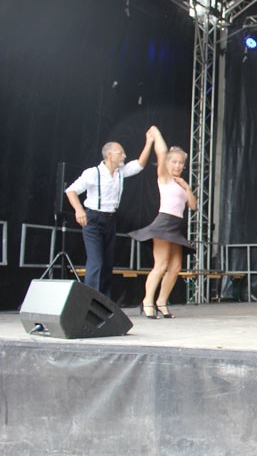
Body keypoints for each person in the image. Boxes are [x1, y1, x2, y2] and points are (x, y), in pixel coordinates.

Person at [65, 134, 153, 298]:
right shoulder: (93, 173)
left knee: (107, 262)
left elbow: (140, 164)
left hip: (110, 219)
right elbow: (71, 191)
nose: (124, 156)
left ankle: (104, 300)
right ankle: (90, 299)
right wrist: (79, 210)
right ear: (109, 155)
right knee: (96, 262)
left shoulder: (120, 172)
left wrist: (149, 142)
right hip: (93, 219)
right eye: (121, 153)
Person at [128, 126, 197, 319]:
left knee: (175, 268)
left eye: (181, 163)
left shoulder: (180, 184)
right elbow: (161, 152)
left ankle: (161, 301)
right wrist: (156, 135)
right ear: (167, 163)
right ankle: (147, 302)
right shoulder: (164, 177)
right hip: (164, 224)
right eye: (174, 162)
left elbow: (193, 206)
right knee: (161, 265)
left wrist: (187, 187)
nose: (177, 166)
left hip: (176, 227)